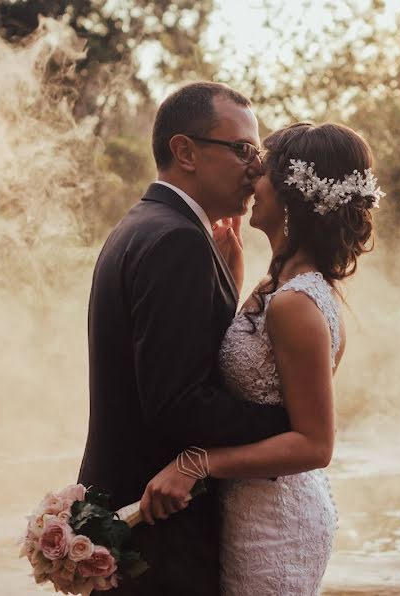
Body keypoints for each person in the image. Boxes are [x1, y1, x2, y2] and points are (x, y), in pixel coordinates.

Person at [141, 121, 383, 594]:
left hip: (276, 523)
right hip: (251, 504)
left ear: (293, 194)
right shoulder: (276, 285)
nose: (253, 179)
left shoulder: (296, 303)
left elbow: (316, 445)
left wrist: (197, 463)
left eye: (265, 171)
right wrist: (228, 280)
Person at [77, 81, 291, 596]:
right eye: (242, 149)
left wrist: (225, 285)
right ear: (185, 151)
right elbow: (177, 403)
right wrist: (289, 422)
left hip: (125, 512)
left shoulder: (140, 225)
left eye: (257, 152)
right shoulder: (177, 242)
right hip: (159, 535)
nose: (255, 167)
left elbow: (173, 361)